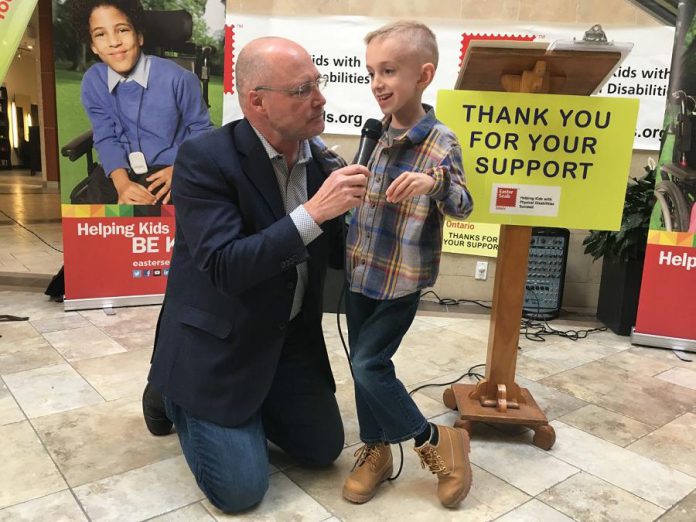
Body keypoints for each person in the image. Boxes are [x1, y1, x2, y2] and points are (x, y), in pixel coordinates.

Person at [146, 37, 370, 513]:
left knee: (323, 449)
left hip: (284, 339)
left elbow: (331, 258)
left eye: (318, 83)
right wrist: (316, 212)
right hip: (219, 345)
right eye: (303, 89)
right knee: (243, 493)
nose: (321, 98)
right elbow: (227, 267)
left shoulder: (321, 163)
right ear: (258, 102)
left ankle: (249, 404)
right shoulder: (204, 160)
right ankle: (171, 392)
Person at [341, 21, 475, 508]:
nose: (377, 82)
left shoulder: (440, 141)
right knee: (363, 369)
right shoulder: (373, 135)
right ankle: (375, 450)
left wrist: (433, 185)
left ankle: (434, 442)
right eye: (372, 71)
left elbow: (463, 204)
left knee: (367, 364)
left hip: (400, 281)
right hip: (359, 273)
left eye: (389, 70)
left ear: (423, 75)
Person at [70, 0, 213, 204]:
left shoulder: (179, 79)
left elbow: (202, 130)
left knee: (163, 210)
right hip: (119, 168)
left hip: (170, 167)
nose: (114, 42)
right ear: (93, 45)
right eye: (101, 34)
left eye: (122, 30)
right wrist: (122, 185)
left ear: (139, 36)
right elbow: (105, 137)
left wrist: (181, 169)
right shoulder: (93, 81)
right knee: (97, 220)